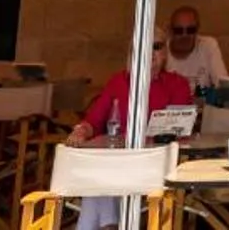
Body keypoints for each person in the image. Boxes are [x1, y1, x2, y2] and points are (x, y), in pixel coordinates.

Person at [66, 41, 193, 230]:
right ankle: (109, 226)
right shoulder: (118, 81)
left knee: (98, 180)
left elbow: (178, 129)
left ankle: (108, 226)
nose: (150, 52)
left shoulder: (178, 84)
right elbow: (93, 120)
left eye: (156, 47)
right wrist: (81, 130)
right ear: (132, 52)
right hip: (118, 161)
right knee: (101, 174)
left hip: (155, 164)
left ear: (165, 53)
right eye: (144, 46)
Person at [162, 8, 227, 90]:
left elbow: (222, 85)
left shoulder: (208, 45)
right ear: (170, 30)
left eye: (190, 30)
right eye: (178, 30)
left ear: (197, 30)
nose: (184, 35)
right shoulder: (161, 50)